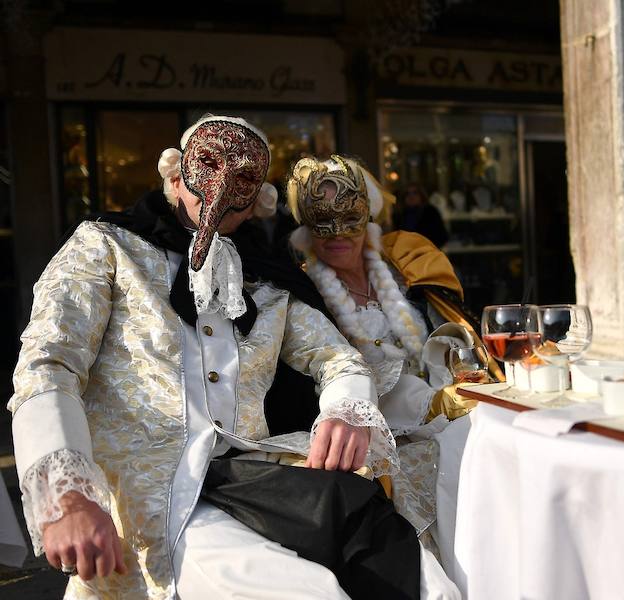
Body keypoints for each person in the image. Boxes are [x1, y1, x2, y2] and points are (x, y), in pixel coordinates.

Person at [8, 115, 458, 599]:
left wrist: (348, 410)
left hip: (258, 479)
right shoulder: (105, 248)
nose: (220, 186)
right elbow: (49, 366)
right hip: (153, 496)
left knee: (422, 579)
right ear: (176, 175)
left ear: (258, 201)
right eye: (208, 164)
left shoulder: (267, 283)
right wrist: (69, 497)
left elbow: (338, 359)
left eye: (242, 177)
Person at [285, 155, 500, 574]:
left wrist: (458, 364)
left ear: (368, 216)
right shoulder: (302, 294)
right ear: (304, 226)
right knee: (461, 453)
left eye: (349, 218)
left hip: (453, 410)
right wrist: (435, 404)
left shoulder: (406, 268)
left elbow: (452, 330)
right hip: (381, 442)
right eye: (321, 221)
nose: (336, 234)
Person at [393, 183, 449, 248]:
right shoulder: (399, 215)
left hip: (427, 253)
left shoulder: (430, 212)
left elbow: (442, 236)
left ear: (421, 195)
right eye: (407, 194)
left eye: (415, 193)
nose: (411, 196)